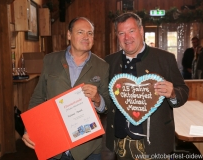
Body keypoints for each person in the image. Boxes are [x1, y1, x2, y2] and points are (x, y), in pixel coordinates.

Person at [22, 17, 110, 160]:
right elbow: (38, 97)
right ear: (69, 35)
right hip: (54, 144)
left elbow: (108, 105)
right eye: (80, 32)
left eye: (90, 33)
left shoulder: (102, 66)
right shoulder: (50, 60)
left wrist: (98, 99)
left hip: (88, 149)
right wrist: (30, 129)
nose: (86, 37)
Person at [105, 12, 189, 160]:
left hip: (155, 142)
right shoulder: (109, 62)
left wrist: (174, 93)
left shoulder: (165, 59)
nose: (127, 37)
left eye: (131, 31)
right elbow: (106, 98)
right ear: (117, 36)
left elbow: (183, 91)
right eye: (121, 33)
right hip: (120, 144)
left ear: (141, 30)